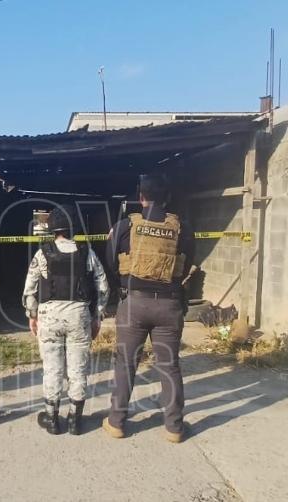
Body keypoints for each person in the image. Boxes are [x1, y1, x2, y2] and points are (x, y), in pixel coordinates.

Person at [102, 174, 195, 443]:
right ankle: (174, 428)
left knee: (126, 363)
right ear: (168, 198)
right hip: (169, 305)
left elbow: (111, 262)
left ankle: (116, 423)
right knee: (169, 366)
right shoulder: (183, 229)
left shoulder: (124, 227)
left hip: (134, 304)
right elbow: (186, 266)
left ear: (140, 197)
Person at [22, 204, 109, 435]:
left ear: (52, 228)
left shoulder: (42, 253)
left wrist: (32, 315)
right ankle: (74, 421)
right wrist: (97, 315)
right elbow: (102, 286)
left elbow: (29, 290)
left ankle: (52, 419)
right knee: (78, 369)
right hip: (78, 316)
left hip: (49, 316)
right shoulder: (87, 253)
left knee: (52, 369)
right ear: (74, 228)